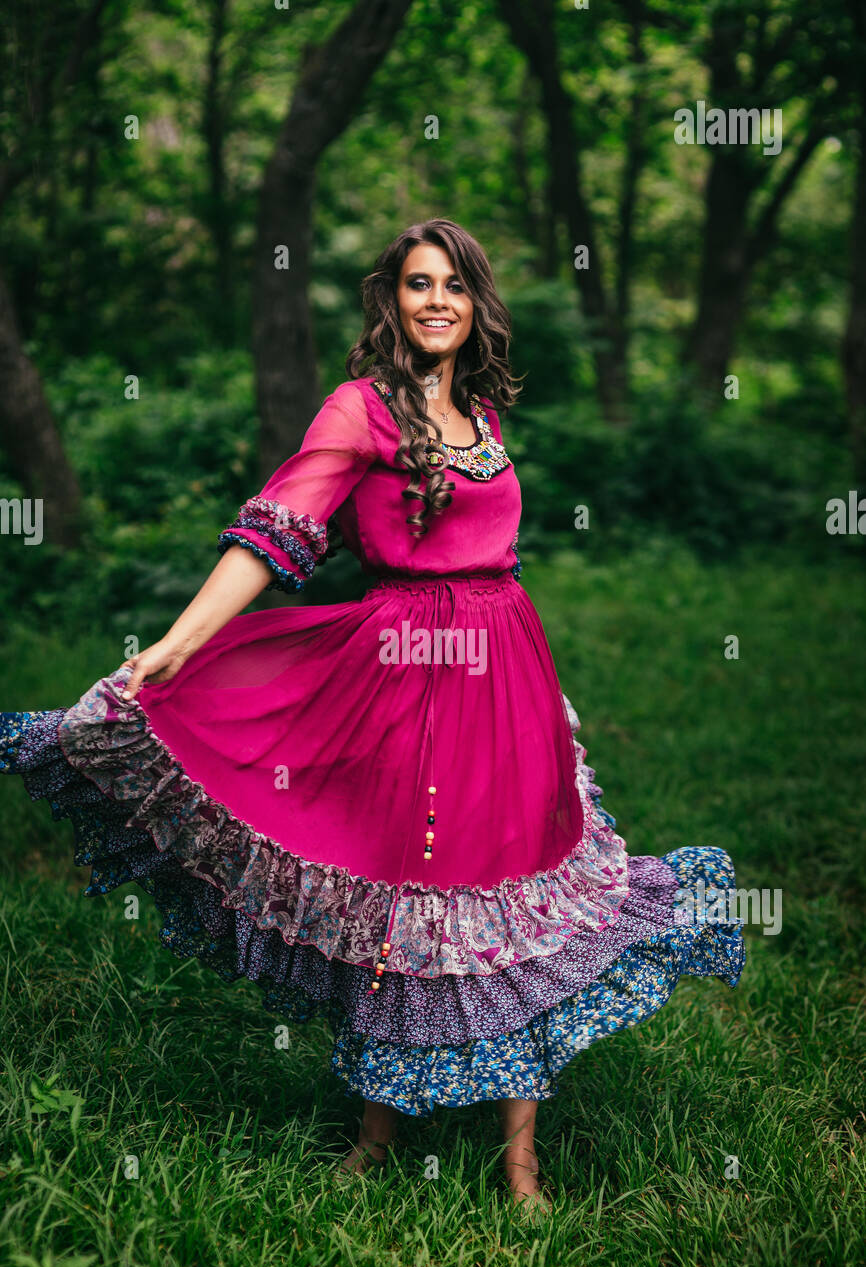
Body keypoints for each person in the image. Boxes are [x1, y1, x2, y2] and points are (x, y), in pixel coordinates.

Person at [0, 218, 745, 1215]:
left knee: (514, 889)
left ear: (475, 303)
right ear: (391, 303)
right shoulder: (359, 409)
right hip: (406, 669)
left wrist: (539, 695)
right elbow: (275, 531)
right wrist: (176, 643)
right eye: (415, 284)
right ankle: (375, 1136)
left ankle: (519, 1160)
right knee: (413, 892)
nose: (435, 299)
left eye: (453, 284)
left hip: (506, 673)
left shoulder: (479, 411)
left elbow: (497, 560)